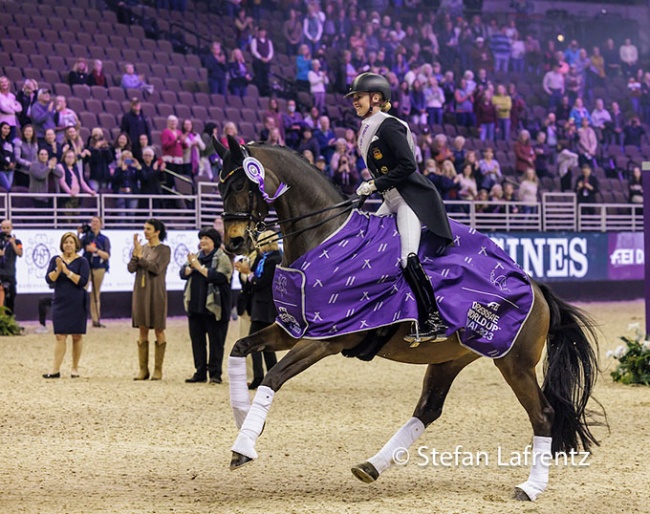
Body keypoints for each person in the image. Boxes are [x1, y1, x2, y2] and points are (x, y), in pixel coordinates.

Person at [348, 72, 453, 343]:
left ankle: (433, 319)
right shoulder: (367, 128)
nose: (354, 102)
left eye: (358, 97)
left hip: (409, 200)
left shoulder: (388, 126)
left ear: (376, 98)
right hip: (390, 199)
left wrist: (373, 184)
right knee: (367, 246)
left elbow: (408, 166)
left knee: (407, 257)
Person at [181, 227, 232, 384]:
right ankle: (200, 372)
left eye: (207, 238)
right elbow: (182, 273)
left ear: (214, 242)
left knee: (216, 342)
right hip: (196, 307)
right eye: (201, 238)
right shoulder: (196, 257)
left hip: (215, 308)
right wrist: (189, 269)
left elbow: (221, 277)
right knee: (197, 342)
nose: (203, 241)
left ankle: (215, 374)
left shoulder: (222, 258)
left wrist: (199, 267)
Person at [234, 230, 281, 389]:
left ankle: (260, 376)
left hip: (266, 305)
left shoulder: (274, 260)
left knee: (254, 342)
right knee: (266, 344)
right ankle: (272, 376)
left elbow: (262, 282)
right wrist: (245, 273)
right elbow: (253, 281)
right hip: (258, 305)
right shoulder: (263, 259)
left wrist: (249, 274)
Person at [127, 219, 171, 381]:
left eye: (148, 229)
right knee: (142, 328)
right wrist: (135, 255)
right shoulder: (141, 248)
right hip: (140, 292)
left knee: (159, 329)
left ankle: (158, 369)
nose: (145, 231)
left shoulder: (164, 250)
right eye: (144, 228)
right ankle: (143, 369)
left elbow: (156, 268)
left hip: (156, 292)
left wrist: (140, 258)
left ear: (157, 231)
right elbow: (131, 268)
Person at [43, 232, 90, 379]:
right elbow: (49, 280)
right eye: (65, 242)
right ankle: (55, 369)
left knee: (76, 336)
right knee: (60, 335)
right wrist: (58, 269)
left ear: (76, 245)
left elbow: (82, 281)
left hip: (77, 301)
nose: (68, 245)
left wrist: (67, 271)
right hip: (60, 301)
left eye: (71, 242)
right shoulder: (56, 260)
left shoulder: (82, 261)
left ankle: (74, 368)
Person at [80, 216, 110, 328]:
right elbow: (77, 248)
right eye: (92, 222)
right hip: (86, 267)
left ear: (101, 224)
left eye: (97, 222)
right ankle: (79, 318)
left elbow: (107, 255)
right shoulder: (86, 237)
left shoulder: (104, 239)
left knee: (96, 294)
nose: (94, 224)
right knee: (82, 291)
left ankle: (96, 319)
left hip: (99, 267)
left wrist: (96, 250)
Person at [0, 219, 23, 314]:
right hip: (0, 275)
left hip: (10, 275)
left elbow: (20, 253)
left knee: (10, 303)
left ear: (11, 228)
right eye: (3, 228)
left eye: (7, 228)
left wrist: (12, 243)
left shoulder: (17, 241)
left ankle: (9, 324)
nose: (6, 230)